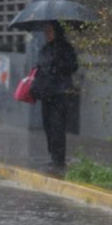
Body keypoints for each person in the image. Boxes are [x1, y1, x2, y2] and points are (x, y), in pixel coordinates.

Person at [30, 21, 79, 168]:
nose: (47, 34)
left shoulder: (66, 48)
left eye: (50, 31)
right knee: (48, 125)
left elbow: (73, 66)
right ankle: (53, 155)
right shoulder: (45, 49)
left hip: (60, 92)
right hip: (46, 92)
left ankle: (59, 159)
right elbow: (40, 66)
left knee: (58, 126)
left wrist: (59, 65)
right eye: (45, 31)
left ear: (57, 31)